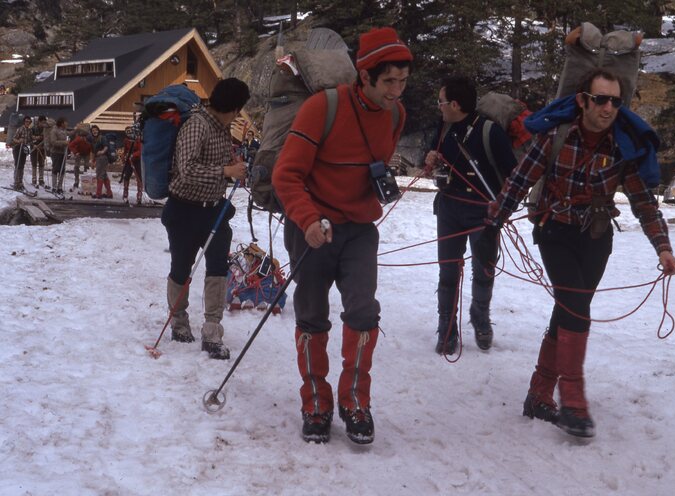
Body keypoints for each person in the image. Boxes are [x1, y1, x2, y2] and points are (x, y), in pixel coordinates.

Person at [477, 68, 675, 439]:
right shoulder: (555, 137)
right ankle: (572, 401)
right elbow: (519, 181)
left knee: (569, 309)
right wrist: (493, 222)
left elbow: (643, 202)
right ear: (583, 100)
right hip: (555, 231)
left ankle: (538, 394)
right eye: (601, 99)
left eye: (615, 101)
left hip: (597, 239)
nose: (608, 108)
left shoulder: (622, 146)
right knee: (574, 306)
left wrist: (663, 247)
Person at [272, 27, 412, 445]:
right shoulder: (323, 107)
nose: (396, 91)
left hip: (359, 231)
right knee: (312, 316)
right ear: (365, 76)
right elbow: (286, 175)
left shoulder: (396, 115)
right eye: (389, 81)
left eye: (403, 81)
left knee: (364, 313)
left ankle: (355, 402)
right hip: (312, 230)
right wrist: (308, 220)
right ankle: (316, 402)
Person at [423, 76, 517, 354]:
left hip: (483, 212)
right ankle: (447, 329)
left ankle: (480, 317)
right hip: (449, 209)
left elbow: (513, 175)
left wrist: (504, 207)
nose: (438, 106)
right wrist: (431, 158)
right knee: (448, 270)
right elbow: (435, 156)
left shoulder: (490, 131)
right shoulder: (444, 126)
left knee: (484, 269)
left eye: (441, 102)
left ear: (454, 104)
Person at [161, 77, 250, 360]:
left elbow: (217, 165)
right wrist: (225, 171)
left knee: (217, 269)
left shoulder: (222, 129)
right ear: (234, 108)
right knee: (181, 268)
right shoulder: (197, 125)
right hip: (184, 210)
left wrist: (232, 168)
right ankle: (179, 322)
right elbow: (186, 169)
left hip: (214, 210)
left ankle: (212, 331)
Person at [121, 126, 143, 205]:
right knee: (127, 176)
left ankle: (139, 195)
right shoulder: (126, 140)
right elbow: (125, 150)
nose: (129, 133)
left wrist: (133, 155)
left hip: (137, 160)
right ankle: (125, 194)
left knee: (139, 177)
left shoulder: (138, 139)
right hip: (129, 161)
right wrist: (124, 157)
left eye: (130, 131)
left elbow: (140, 151)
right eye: (127, 131)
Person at [89, 125, 113, 199]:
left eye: (96, 130)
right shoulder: (93, 140)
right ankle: (109, 193)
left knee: (99, 175)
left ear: (98, 130)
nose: (94, 132)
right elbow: (93, 152)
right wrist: (92, 161)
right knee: (104, 175)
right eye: (93, 131)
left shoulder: (102, 138)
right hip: (98, 158)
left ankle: (98, 194)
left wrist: (102, 152)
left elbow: (106, 146)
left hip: (102, 158)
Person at [10, 115, 32, 191]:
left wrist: (33, 143)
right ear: (24, 122)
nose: (27, 123)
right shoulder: (20, 129)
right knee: (18, 165)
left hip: (23, 149)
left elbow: (30, 140)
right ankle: (16, 182)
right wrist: (19, 141)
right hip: (17, 148)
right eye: (26, 121)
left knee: (22, 166)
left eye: (29, 122)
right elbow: (14, 139)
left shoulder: (29, 131)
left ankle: (20, 182)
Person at [49, 117, 69, 194]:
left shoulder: (64, 131)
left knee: (62, 170)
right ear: (62, 123)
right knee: (55, 169)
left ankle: (60, 187)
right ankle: (54, 187)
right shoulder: (54, 130)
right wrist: (64, 143)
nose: (67, 124)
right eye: (65, 122)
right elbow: (53, 142)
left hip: (63, 152)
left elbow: (69, 134)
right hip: (56, 152)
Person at [68, 128, 93, 192]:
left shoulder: (90, 141)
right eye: (86, 140)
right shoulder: (78, 139)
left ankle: (86, 181)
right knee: (76, 166)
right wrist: (75, 152)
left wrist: (91, 156)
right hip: (79, 152)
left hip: (87, 153)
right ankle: (76, 181)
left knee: (87, 166)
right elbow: (70, 145)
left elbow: (92, 149)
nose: (87, 142)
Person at [30, 116, 48, 189]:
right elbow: (30, 138)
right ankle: (34, 180)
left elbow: (47, 139)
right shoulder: (33, 128)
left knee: (41, 164)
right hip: (34, 149)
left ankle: (41, 180)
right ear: (39, 122)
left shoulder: (45, 130)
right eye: (42, 122)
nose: (43, 124)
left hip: (42, 149)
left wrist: (44, 146)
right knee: (34, 164)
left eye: (44, 123)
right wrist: (33, 144)